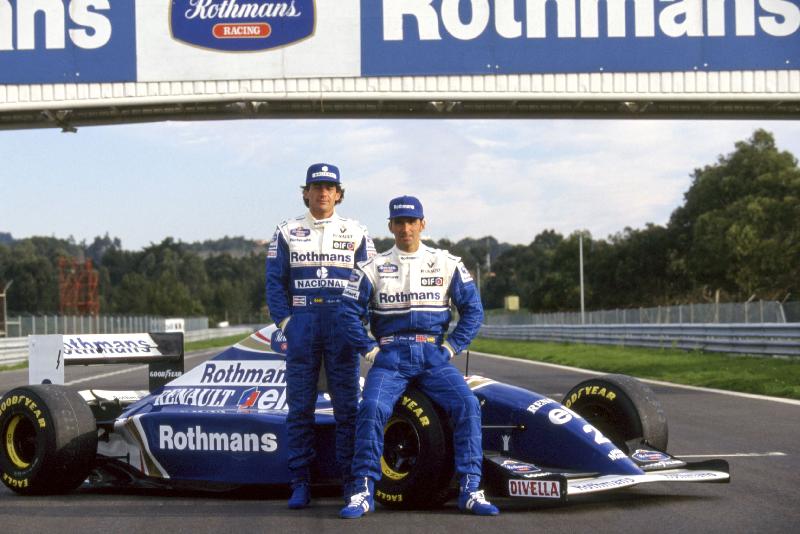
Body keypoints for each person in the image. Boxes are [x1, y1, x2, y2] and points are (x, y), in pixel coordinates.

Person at [337, 195, 499, 518]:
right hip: (391, 355)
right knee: (371, 408)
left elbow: (473, 310)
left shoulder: (446, 262)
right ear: (390, 226)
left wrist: (452, 346)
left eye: (412, 222)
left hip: (432, 355)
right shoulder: (372, 268)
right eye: (399, 222)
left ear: (423, 224)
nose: (406, 228)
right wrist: (369, 350)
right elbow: (346, 313)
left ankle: (470, 488)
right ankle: (363, 491)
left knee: (466, 404)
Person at [265, 163, 375, 509]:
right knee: (299, 409)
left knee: (348, 409)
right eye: (317, 186)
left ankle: (352, 481)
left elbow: (371, 284)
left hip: (342, 325)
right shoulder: (286, 231)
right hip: (304, 323)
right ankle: (299, 481)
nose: (323, 192)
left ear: (338, 194)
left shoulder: (357, 232)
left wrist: (359, 324)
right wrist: (286, 324)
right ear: (306, 192)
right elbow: (273, 283)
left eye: (329, 187)